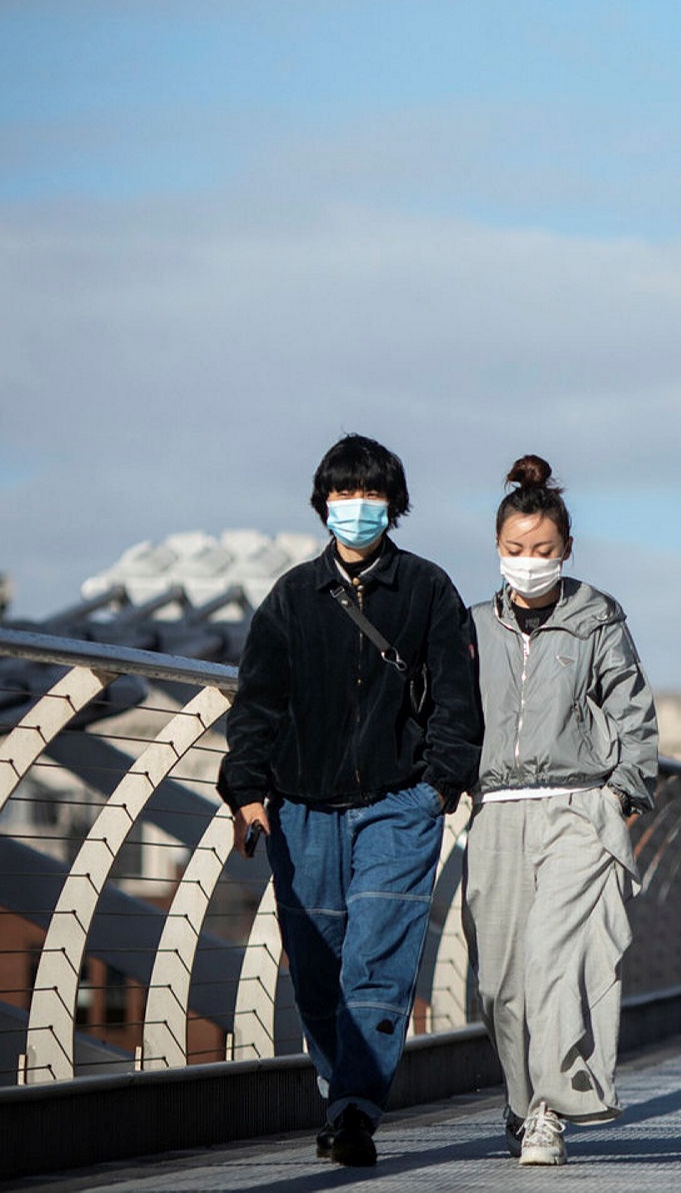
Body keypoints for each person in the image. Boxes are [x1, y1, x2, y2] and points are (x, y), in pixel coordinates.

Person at [217, 434, 481, 1168]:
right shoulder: (291, 597)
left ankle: (357, 1111)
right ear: (322, 503)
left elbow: (457, 699)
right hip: (300, 808)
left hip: (399, 802)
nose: (355, 507)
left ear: (393, 504)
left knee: (377, 962)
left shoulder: (427, 589)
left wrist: (439, 786)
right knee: (316, 968)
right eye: (342, 494)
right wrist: (247, 790)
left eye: (369, 494)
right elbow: (257, 704)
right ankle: (340, 1096)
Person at [463, 456, 660, 1167]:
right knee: (500, 984)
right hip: (496, 811)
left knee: (557, 964)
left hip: (578, 807)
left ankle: (550, 1111)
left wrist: (623, 791)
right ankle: (521, 1102)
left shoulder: (597, 617)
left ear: (567, 549)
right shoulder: (471, 627)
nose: (529, 562)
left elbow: (633, 710)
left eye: (543, 549)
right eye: (516, 549)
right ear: (497, 547)